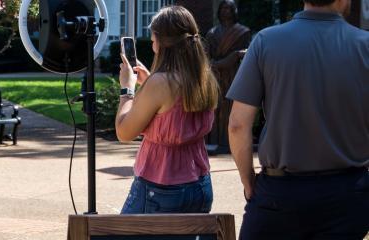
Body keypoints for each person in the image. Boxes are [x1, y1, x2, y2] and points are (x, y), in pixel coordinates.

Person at [226, 0, 369, 238]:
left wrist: (249, 181)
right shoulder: (365, 46)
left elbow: (237, 124)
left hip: (279, 193)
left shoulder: (266, 41)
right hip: (349, 193)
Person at [114, 6, 219, 214]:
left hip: (159, 188)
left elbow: (124, 132)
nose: (152, 46)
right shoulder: (204, 77)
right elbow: (174, 110)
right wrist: (149, 82)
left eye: (153, 41)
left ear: (162, 43)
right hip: (200, 185)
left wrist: (127, 88)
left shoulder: (160, 84)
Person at [204, 0, 251, 153]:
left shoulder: (243, 32)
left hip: (234, 74)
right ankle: (214, 139)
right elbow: (207, 56)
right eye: (223, 8)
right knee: (216, 106)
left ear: (234, 11)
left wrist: (234, 57)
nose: (226, 11)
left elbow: (245, 53)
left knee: (231, 106)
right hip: (216, 75)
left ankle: (229, 140)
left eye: (229, 8)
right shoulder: (212, 33)